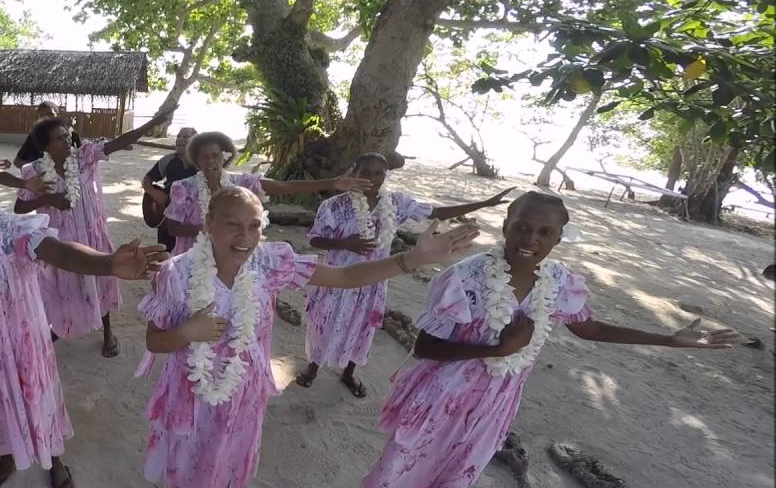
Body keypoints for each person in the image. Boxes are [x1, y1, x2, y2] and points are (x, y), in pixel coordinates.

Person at [343, 191, 740, 488]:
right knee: (406, 448)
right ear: (505, 226)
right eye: (522, 226)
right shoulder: (466, 278)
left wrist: (669, 339)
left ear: (558, 239)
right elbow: (426, 346)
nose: (531, 238)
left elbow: (589, 328)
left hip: (499, 396)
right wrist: (496, 349)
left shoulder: (559, 283)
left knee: (469, 459)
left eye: (545, 232)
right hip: (444, 388)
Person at [141, 186, 480, 488]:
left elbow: (344, 277)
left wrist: (414, 259)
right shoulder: (177, 274)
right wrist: (187, 332)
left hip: (245, 384)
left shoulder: (269, 262)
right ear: (209, 223)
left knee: (236, 438)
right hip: (189, 387)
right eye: (232, 224)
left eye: (255, 225)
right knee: (188, 438)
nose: (246, 236)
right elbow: (154, 341)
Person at [0, 154, 169, 488]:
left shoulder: (11, 230)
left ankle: (53, 457)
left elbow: (60, 253)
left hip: (23, 347)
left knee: (38, 401)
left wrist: (107, 264)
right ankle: (8, 456)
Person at [295, 152, 515, 396]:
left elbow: (436, 213)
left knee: (363, 328)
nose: (371, 178)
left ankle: (349, 373)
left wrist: (484, 204)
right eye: (365, 172)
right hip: (337, 279)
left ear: (385, 176)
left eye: (378, 173)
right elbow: (315, 239)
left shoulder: (396, 203)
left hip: (374, 283)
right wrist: (346, 243)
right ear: (353, 173)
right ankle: (313, 368)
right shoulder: (333, 206)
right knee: (324, 323)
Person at [14, 108, 175, 357]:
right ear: (45, 146)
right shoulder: (33, 172)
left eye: (67, 135)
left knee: (101, 281)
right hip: (59, 242)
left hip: (92, 236)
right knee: (60, 286)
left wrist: (152, 122)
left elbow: (119, 142)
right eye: (59, 138)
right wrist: (48, 199)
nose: (67, 139)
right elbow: (19, 206)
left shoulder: (85, 157)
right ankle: (58, 326)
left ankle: (107, 331)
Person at [162, 131, 372, 256]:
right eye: (204, 157)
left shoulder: (240, 183)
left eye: (215, 156)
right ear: (196, 160)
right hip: (191, 256)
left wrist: (333, 183)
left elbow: (284, 187)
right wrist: (207, 228)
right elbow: (173, 229)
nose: (210, 161)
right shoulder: (184, 187)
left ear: (224, 157)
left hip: (231, 254)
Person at [141, 126, 197, 253]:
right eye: (178, 137)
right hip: (168, 216)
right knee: (165, 253)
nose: (180, 140)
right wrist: (154, 194)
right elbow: (147, 180)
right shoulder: (168, 160)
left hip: (192, 217)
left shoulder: (202, 162)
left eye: (185, 137)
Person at [12, 100, 81, 167]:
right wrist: (37, 167)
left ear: (58, 115)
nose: (46, 118)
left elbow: (82, 160)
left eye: (50, 114)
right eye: (42, 115)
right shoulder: (34, 137)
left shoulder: (72, 135)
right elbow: (17, 162)